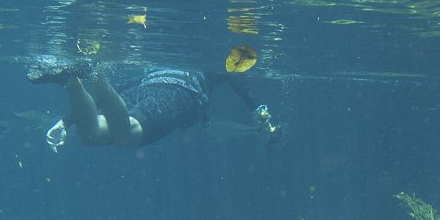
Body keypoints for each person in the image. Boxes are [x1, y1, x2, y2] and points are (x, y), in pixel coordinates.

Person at [27, 57, 284, 152]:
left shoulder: (161, 60)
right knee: (126, 136)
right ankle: (93, 72)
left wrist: (67, 120)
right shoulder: (207, 66)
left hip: (147, 83)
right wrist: (255, 108)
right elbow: (231, 74)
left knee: (90, 136)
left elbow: (127, 86)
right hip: (180, 93)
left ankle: (72, 80)